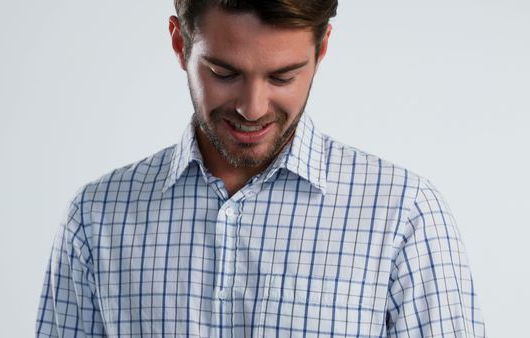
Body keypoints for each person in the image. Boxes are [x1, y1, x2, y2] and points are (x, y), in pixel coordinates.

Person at [36, 1, 485, 337]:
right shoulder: (97, 216)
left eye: (282, 77)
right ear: (179, 44)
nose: (252, 109)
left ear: (322, 48)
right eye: (223, 72)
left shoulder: (404, 214)